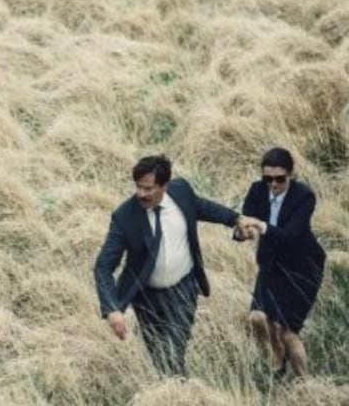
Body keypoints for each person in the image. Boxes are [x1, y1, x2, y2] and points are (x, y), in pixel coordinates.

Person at [93, 154, 254, 376]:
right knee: (160, 359)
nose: (141, 194)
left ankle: (180, 394)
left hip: (183, 289)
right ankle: (178, 392)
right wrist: (112, 309)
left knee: (172, 352)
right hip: (146, 298)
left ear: (164, 186)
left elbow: (203, 207)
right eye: (138, 187)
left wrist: (235, 219)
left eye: (148, 188)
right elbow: (103, 266)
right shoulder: (124, 217)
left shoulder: (181, 192)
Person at [236, 147, 326, 380]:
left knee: (288, 332)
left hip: (302, 268)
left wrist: (260, 225)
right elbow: (245, 221)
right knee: (256, 318)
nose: (273, 184)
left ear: (290, 175)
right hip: (271, 263)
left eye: (279, 179)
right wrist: (243, 232)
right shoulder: (257, 190)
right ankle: (277, 352)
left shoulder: (304, 196)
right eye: (268, 178)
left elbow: (289, 236)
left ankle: (306, 384)